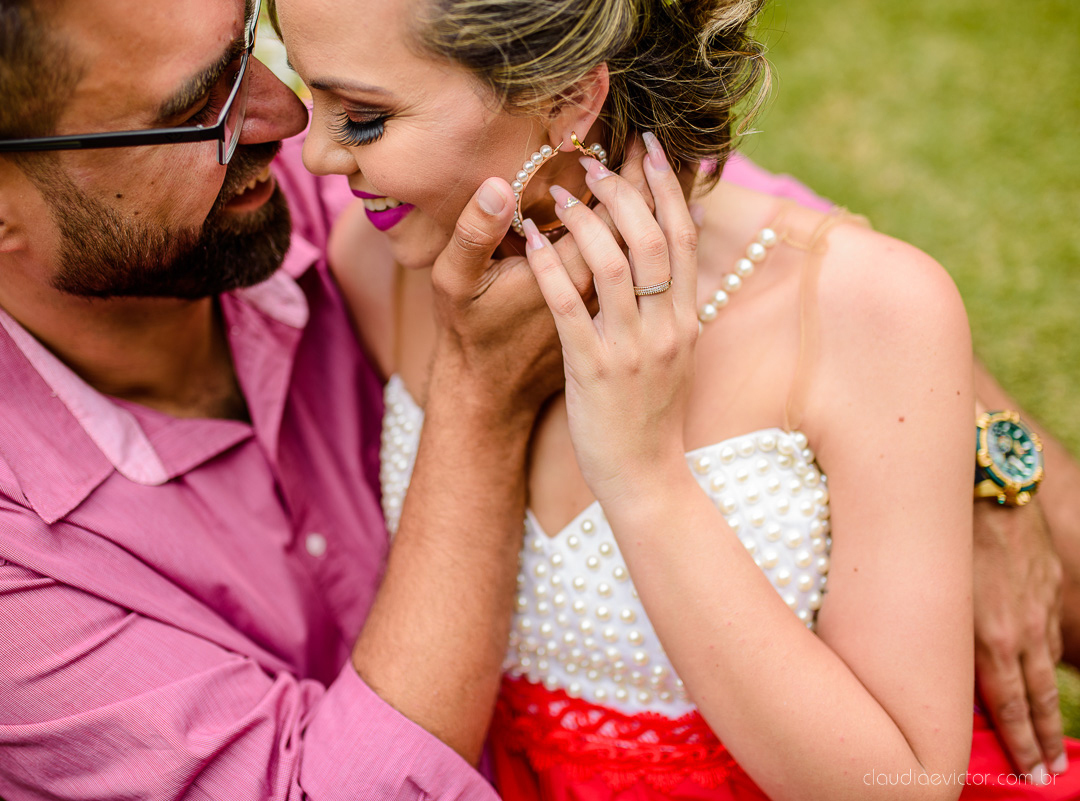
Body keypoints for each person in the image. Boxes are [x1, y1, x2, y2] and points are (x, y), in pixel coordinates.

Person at [273, 0, 1080, 797]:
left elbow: (903, 785)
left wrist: (642, 477)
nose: (314, 160)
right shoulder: (379, 271)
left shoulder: (864, 307)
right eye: (312, 100)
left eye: (365, 120)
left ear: (569, 101)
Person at [0, 0, 652, 797]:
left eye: (250, 46)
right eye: (194, 109)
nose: (285, 121)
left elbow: (695, 217)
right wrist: (478, 401)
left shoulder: (326, 190)